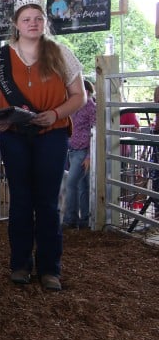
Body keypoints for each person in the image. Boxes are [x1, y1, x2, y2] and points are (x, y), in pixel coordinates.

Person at [0, 0, 85, 293]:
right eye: (27, 18)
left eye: (38, 18)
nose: (33, 23)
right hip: (15, 133)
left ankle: (49, 268)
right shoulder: (0, 58)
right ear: (16, 24)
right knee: (19, 199)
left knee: (46, 201)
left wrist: (54, 114)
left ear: (45, 23)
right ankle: (19, 264)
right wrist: (0, 119)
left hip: (51, 133)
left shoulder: (61, 54)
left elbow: (78, 96)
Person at [62, 79, 96, 229]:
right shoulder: (74, 106)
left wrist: (89, 156)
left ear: (85, 92)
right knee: (82, 186)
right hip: (73, 150)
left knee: (71, 184)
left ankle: (71, 219)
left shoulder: (91, 107)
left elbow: (94, 132)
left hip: (83, 151)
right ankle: (84, 221)